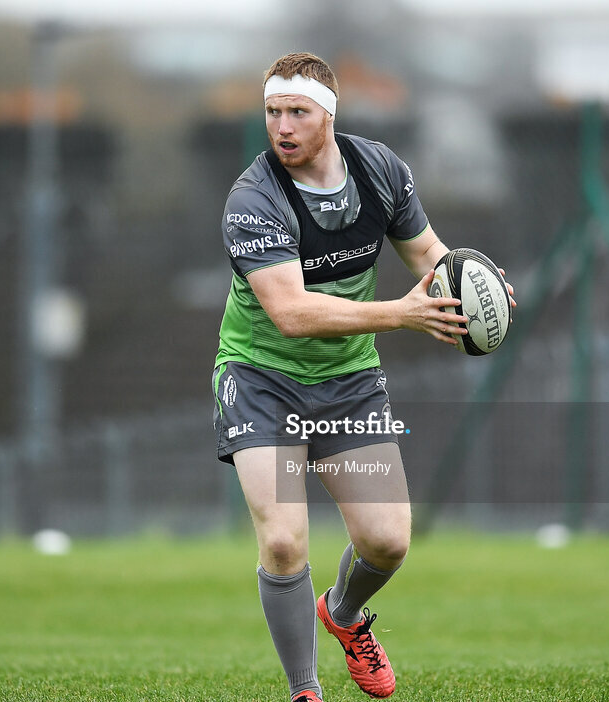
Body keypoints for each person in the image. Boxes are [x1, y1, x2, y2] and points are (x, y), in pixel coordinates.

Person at [212, 52, 514, 702]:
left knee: (386, 542)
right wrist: (400, 314)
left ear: (328, 115)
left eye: (297, 112)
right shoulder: (254, 198)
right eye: (272, 112)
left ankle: (343, 615)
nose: (282, 127)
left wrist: (475, 284)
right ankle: (305, 690)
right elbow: (290, 313)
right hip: (261, 380)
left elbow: (429, 255)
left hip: (348, 385)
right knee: (285, 541)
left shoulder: (380, 172)